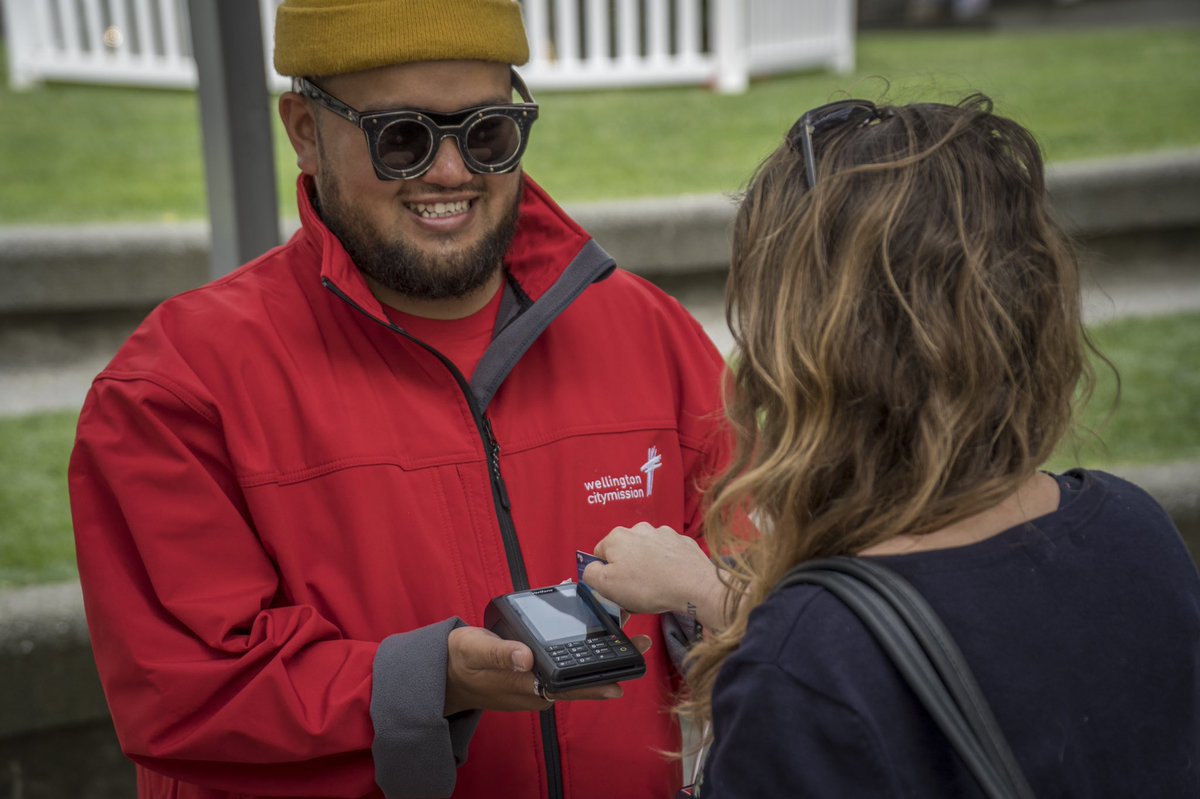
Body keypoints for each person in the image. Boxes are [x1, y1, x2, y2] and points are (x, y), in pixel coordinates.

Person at [67, 2, 727, 797]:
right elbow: (183, 688)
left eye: (487, 131)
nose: (450, 172)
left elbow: (771, 569)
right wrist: (428, 682)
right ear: (304, 130)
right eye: (402, 138)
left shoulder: (651, 334)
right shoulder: (177, 385)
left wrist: (715, 607)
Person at [582, 95, 1200, 796]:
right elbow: (969, 626)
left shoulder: (803, 674)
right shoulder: (1135, 532)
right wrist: (710, 591)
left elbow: (856, 658)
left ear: (810, 357)